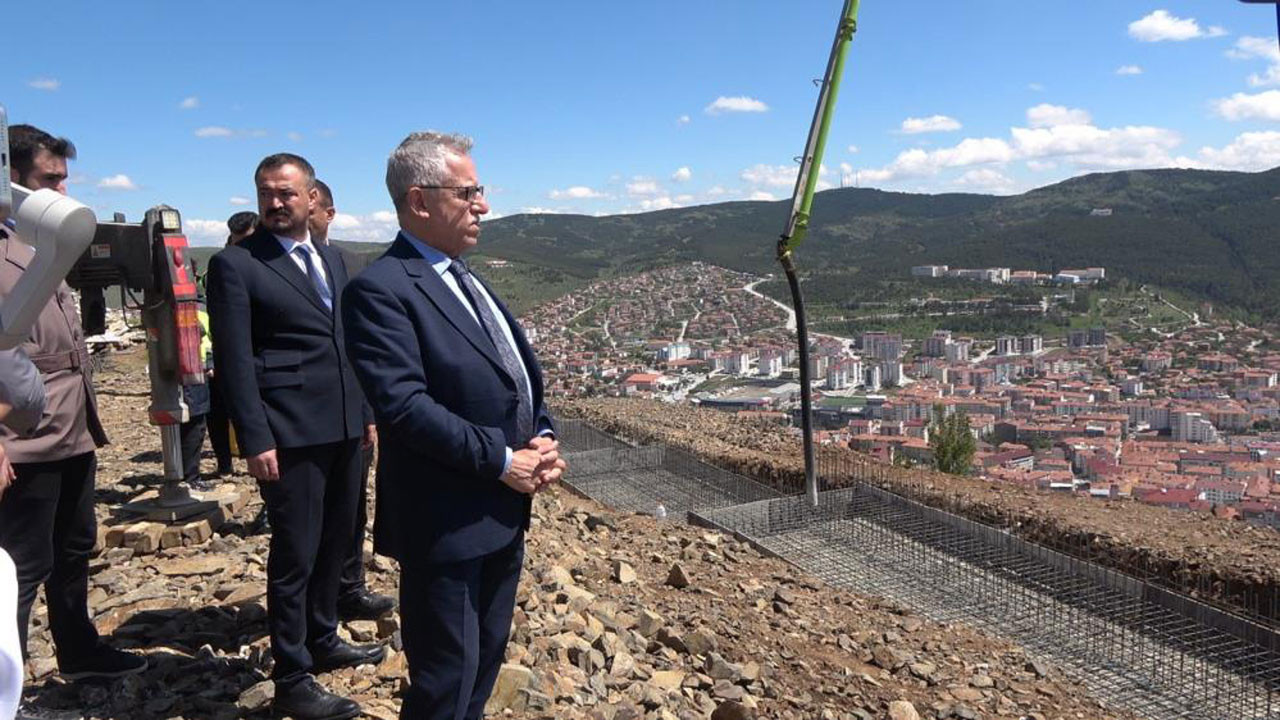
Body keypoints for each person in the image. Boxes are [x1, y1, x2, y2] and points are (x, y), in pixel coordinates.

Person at [343, 132, 565, 720]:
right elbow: (404, 407)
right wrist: (503, 460)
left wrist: (542, 436)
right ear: (420, 201)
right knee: (445, 679)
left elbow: (512, 374)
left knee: (483, 665)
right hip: (444, 522)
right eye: (467, 192)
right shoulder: (380, 290)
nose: (482, 205)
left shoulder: (464, 276)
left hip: (502, 512)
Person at [207, 153, 381, 720]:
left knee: (337, 540)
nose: (276, 203)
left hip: (345, 427)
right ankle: (291, 675)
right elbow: (235, 361)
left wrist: (366, 413)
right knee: (295, 554)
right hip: (288, 433)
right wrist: (254, 438)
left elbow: (348, 343)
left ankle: (323, 637)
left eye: (286, 193)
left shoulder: (332, 259)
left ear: (311, 198)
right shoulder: (237, 265)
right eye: (266, 193)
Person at [0, 125, 146, 718]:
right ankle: (7, 688)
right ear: (11, 179)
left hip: (71, 426)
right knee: (19, 565)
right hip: (23, 438)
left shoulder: (44, 240)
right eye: (48, 179)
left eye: (64, 179)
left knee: (73, 547)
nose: (61, 190)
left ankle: (78, 648)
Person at [307, 180, 394, 622]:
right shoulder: (262, 265)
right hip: (302, 416)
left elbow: (363, 346)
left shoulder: (350, 264)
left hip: (354, 411)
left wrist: (368, 411)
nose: (304, 217)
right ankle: (314, 606)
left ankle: (349, 587)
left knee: (352, 506)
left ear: (328, 213)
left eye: (313, 209)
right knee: (310, 517)